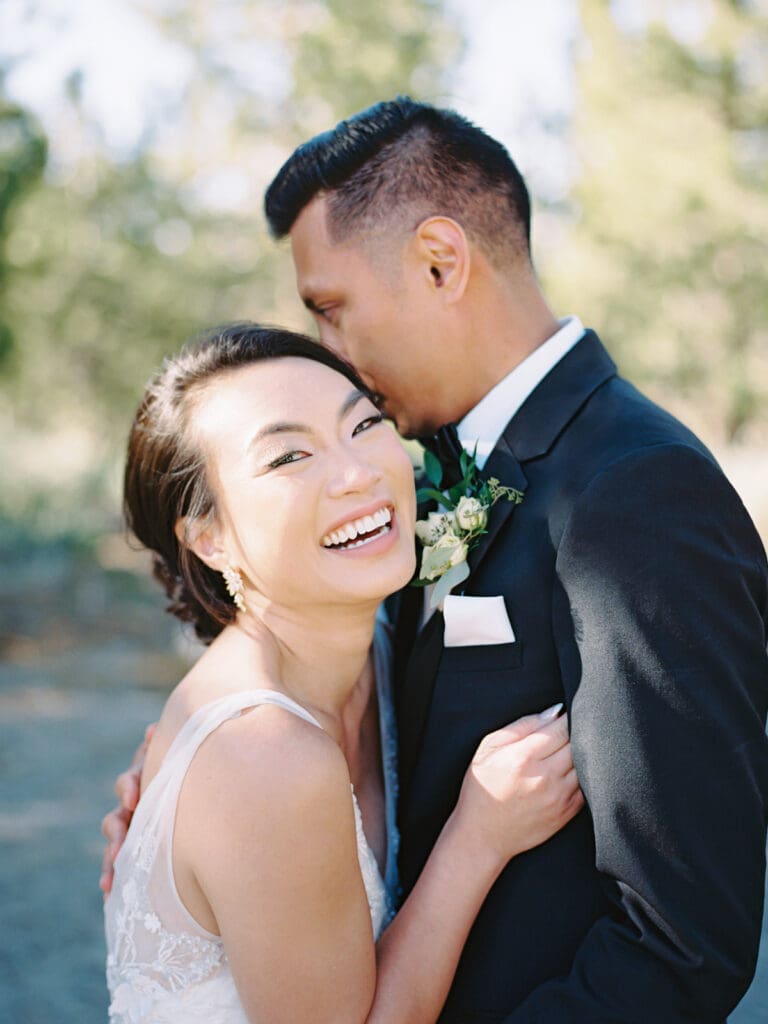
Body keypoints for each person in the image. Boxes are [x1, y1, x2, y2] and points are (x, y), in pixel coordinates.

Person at [103, 98, 768, 1021]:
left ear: (439, 261)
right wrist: (194, 823)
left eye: (330, 311)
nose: (334, 359)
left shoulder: (635, 495)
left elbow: (682, 942)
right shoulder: (404, 487)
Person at [103, 322, 582, 1024]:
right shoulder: (262, 755)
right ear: (207, 536)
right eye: (288, 456)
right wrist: (479, 838)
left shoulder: (384, 647)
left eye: (363, 425)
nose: (358, 473)